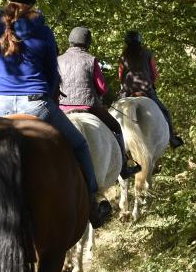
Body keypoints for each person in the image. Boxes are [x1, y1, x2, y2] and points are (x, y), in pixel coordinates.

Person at [0, 0, 111, 228]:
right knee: (80, 145)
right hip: (37, 104)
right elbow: (52, 75)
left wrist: (2, 89)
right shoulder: (44, 32)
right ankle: (93, 204)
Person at [57, 27, 142, 179]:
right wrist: (104, 97)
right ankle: (123, 167)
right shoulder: (91, 60)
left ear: (70, 40)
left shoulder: (58, 60)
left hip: (62, 107)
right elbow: (102, 87)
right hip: (89, 106)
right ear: (87, 42)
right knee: (116, 128)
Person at [118, 30, 184, 148]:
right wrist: (151, 83)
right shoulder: (147, 53)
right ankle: (172, 139)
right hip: (146, 90)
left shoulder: (123, 56)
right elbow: (154, 74)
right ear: (140, 40)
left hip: (127, 92)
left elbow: (120, 75)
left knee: (114, 111)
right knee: (165, 112)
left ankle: (116, 140)